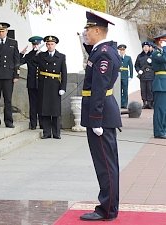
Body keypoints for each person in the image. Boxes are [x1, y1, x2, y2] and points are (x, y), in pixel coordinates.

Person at [80, 11, 122, 221]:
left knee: (105, 165)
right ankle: (109, 206)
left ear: (98, 30)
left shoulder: (103, 54)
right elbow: (92, 54)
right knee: (106, 164)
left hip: (101, 116)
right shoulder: (103, 50)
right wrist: (86, 43)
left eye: (88, 29)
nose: (85, 32)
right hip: (103, 114)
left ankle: (107, 209)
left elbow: (99, 88)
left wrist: (95, 120)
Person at [0, 22, 20, 128]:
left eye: (3, 31)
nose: (1, 33)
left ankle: (8, 121)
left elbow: (16, 60)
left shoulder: (13, 43)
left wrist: (16, 75)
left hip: (8, 75)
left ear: (6, 31)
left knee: (8, 100)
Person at [34, 36, 67, 139]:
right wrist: (35, 51)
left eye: (52, 44)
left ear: (55, 45)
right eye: (48, 44)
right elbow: (32, 60)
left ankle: (56, 133)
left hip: (55, 86)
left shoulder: (61, 56)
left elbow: (64, 73)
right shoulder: (41, 55)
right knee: (45, 110)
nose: (50, 46)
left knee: (55, 110)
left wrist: (63, 87)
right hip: (44, 85)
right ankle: (46, 132)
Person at [20, 36, 43, 130]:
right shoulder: (29, 55)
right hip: (32, 83)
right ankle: (33, 123)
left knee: (41, 104)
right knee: (33, 104)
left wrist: (39, 54)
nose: (35, 46)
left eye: (37, 44)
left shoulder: (43, 55)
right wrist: (21, 54)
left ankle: (42, 123)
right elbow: (19, 62)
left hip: (41, 83)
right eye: (34, 44)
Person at [151, 33, 166, 139]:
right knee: (160, 109)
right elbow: (164, 59)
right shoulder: (157, 53)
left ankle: (163, 129)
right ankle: (158, 131)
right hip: (160, 83)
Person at [134, 41, 154, 109]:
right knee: (143, 89)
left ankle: (149, 103)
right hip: (142, 76)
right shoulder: (139, 56)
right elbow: (136, 65)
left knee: (150, 89)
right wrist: (138, 70)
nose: (146, 48)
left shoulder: (152, 55)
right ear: (142, 48)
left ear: (149, 47)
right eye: (144, 47)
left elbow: (155, 65)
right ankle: (144, 102)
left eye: (147, 47)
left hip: (150, 75)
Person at [117, 44, 133, 109]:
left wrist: (131, 76)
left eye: (123, 50)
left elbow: (131, 67)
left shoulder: (128, 58)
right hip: (118, 76)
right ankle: (119, 103)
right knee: (119, 90)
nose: (122, 51)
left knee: (125, 90)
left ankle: (124, 104)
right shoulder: (117, 57)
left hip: (125, 76)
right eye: (120, 50)